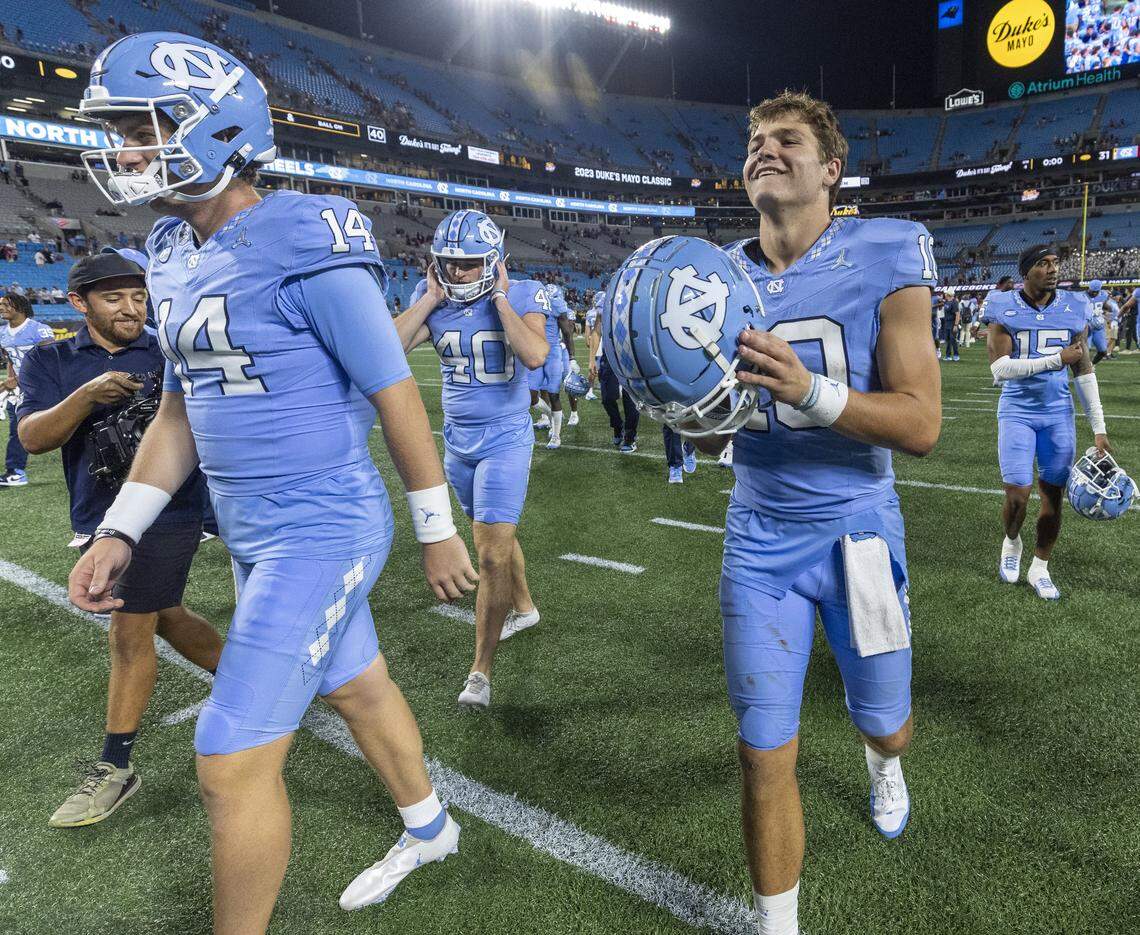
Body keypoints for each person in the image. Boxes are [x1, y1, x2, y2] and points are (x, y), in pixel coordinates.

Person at [68, 32, 476, 930]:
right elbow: (178, 411)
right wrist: (121, 527)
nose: (125, 151)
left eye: (144, 128)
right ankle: (430, 824)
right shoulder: (170, 246)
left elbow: (392, 386)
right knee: (357, 680)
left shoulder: (303, 229)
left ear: (215, 127)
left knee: (228, 754)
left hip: (323, 522)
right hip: (253, 527)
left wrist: (436, 523)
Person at [609, 90, 942, 935]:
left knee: (891, 727)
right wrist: (685, 409)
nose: (765, 149)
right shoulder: (716, 277)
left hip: (859, 530)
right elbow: (722, 440)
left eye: (787, 139)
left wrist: (811, 390)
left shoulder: (885, 250)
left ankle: (882, 763)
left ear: (832, 168)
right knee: (762, 752)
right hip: (759, 539)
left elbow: (921, 424)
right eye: (756, 140)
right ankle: (777, 924)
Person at [18, 252, 222, 827]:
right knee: (166, 614)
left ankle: (115, 766)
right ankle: (250, 684)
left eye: (138, 295)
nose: (131, 308)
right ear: (80, 303)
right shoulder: (51, 358)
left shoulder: (167, 349)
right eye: (114, 298)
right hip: (95, 512)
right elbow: (33, 438)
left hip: (168, 509)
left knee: (128, 629)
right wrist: (84, 397)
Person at [396, 209, 548, 709]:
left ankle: (480, 671)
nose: (457, 272)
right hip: (458, 441)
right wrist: (431, 299)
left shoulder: (522, 293)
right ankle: (524, 607)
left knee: (488, 551)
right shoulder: (433, 297)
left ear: (493, 262)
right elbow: (385, 349)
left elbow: (535, 355)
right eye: (448, 263)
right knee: (494, 537)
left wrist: (501, 299)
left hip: (505, 437)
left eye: (468, 264)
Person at [980, 245, 1109, 600]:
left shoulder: (1074, 306)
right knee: (1018, 496)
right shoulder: (1003, 306)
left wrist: (1099, 428)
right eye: (1043, 264)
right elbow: (1000, 370)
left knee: (1053, 496)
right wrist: (1055, 360)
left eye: (1055, 263)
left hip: (1057, 414)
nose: (1052, 270)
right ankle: (1011, 543)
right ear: (1026, 271)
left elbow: (1083, 369)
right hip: (1017, 410)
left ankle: (1040, 567)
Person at [0, 292, 56, 486]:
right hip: (22, 389)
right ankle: (15, 472)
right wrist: (11, 378)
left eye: (6, 305)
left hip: (44, 386)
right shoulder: (2, 332)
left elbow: (52, 362)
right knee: (17, 426)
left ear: (20, 307)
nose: (1, 308)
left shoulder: (39, 330)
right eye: (1, 305)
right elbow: (10, 358)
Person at [529, 277, 574, 449]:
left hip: (553, 352)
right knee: (530, 397)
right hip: (535, 350)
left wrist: (572, 358)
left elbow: (567, 332)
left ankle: (556, 435)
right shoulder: (533, 305)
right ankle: (551, 414)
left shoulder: (557, 305)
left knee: (554, 394)